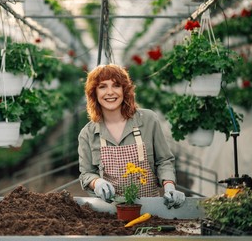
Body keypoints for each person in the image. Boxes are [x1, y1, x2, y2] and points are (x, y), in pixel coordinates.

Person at [78, 64, 185, 209]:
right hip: (109, 211)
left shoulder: (148, 120)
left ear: (124, 90)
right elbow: (86, 173)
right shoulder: (88, 133)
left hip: (150, 209)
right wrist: (98, 183)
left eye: (116, 86)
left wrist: (169, 186)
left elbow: (164, 161)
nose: (110, 92)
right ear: (94, 93)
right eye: (102, 87)